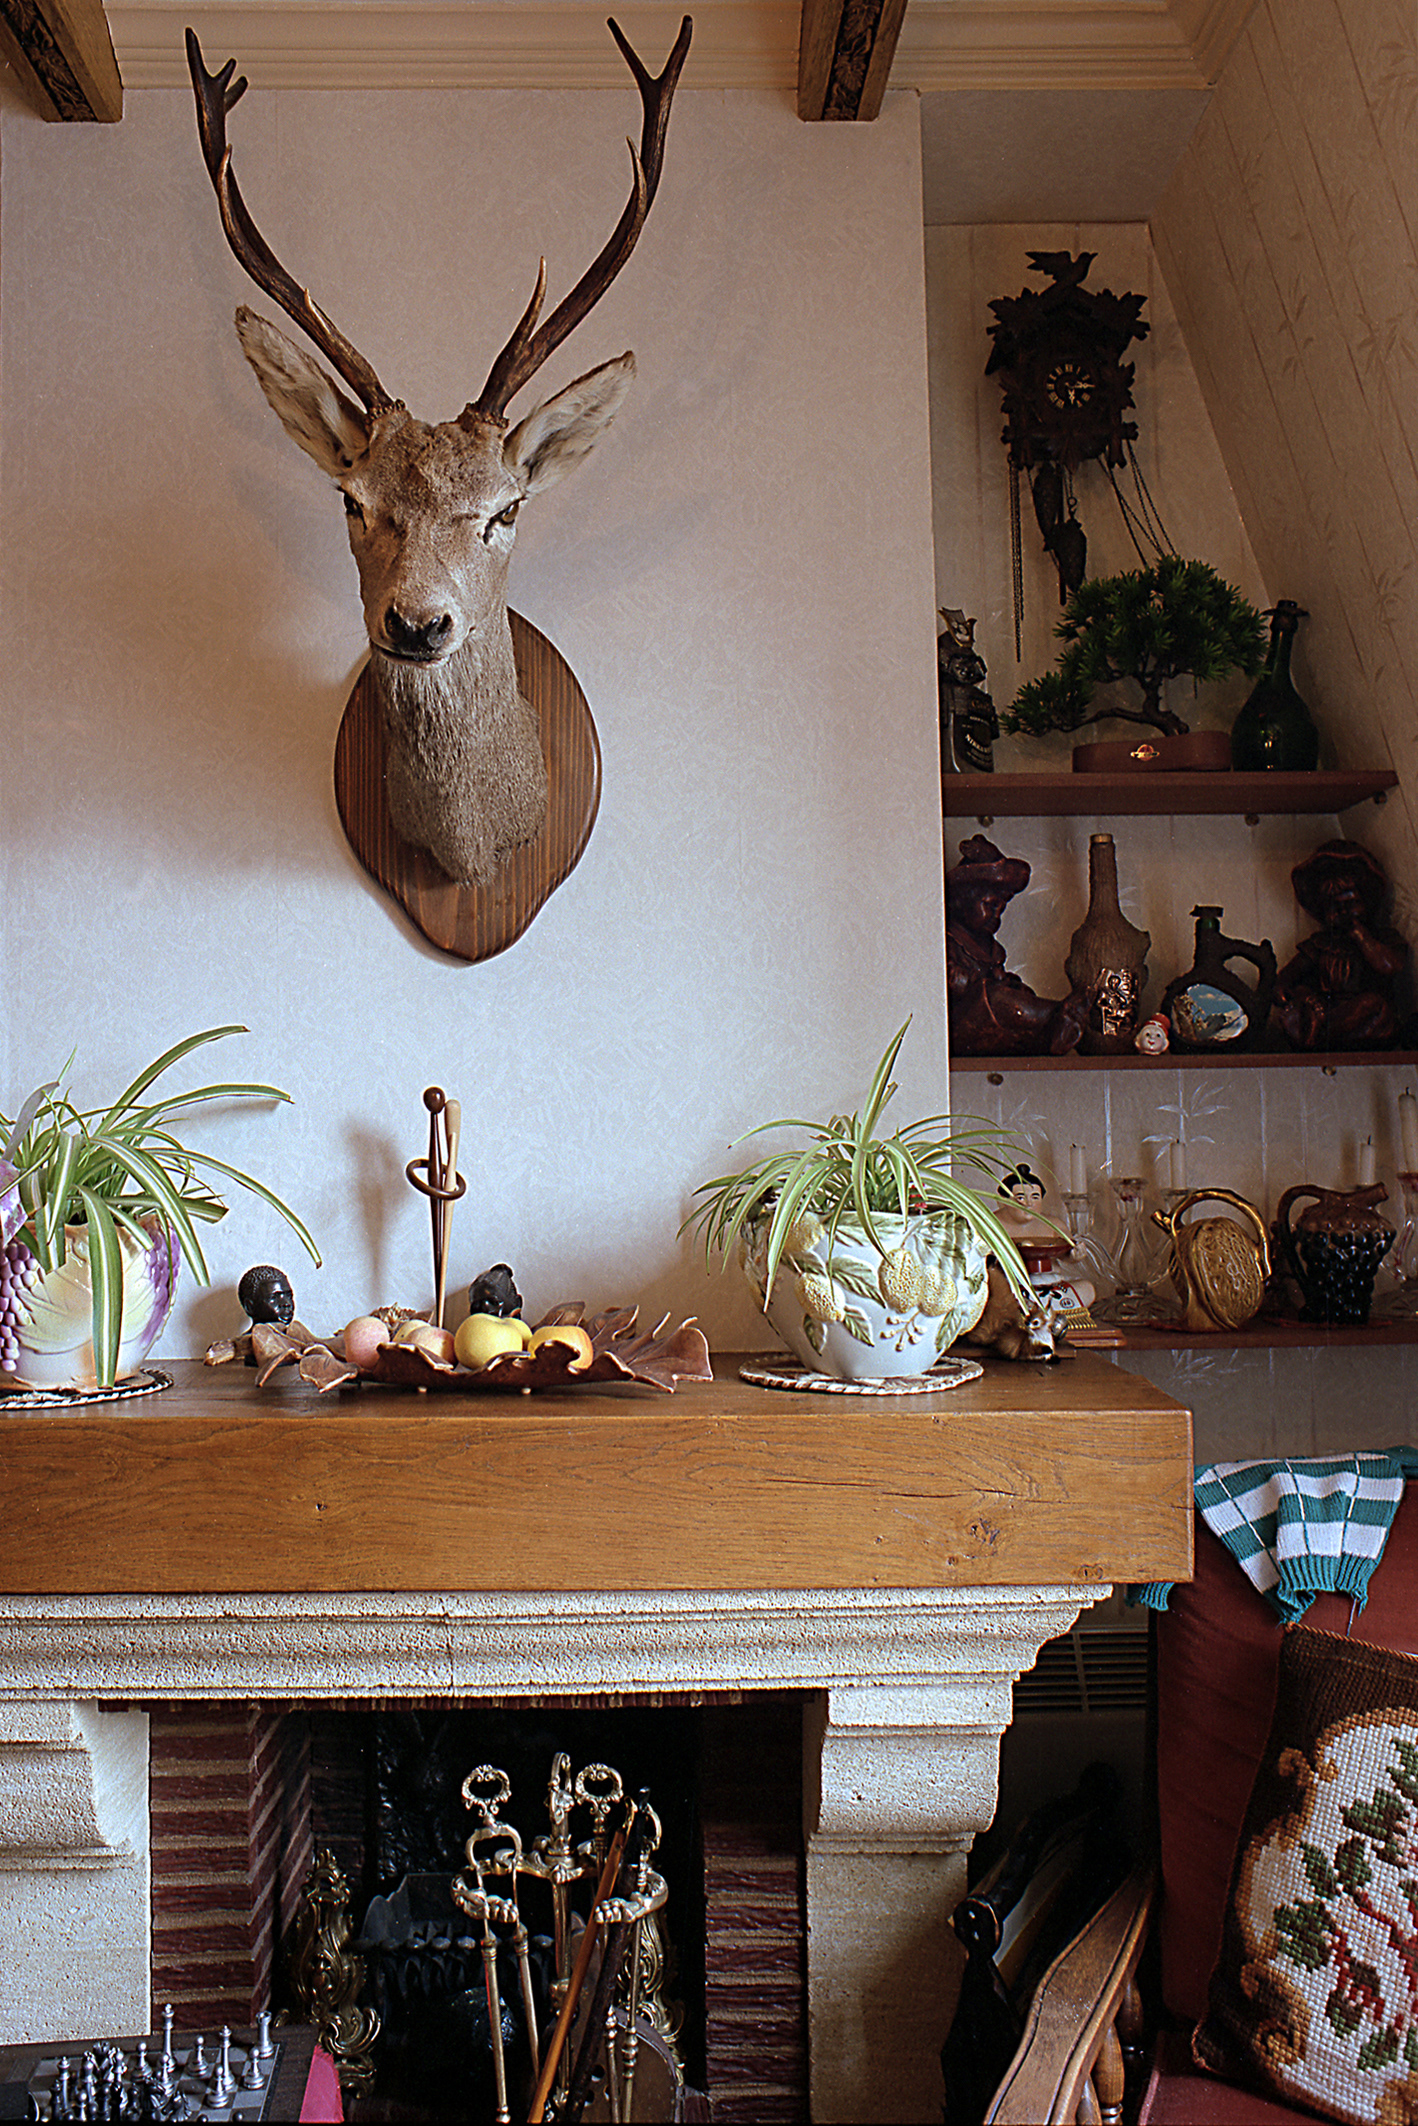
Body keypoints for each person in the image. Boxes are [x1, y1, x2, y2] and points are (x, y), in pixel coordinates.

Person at [947, 836, 1089, 1056]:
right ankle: (1059, 1015)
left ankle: (1055, 1026)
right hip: (965, 1023)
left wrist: (1008, 982)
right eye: (990, 905)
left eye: (1001, 908)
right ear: (963, 900)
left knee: (1016, 998)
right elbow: (950, 980)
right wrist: (974, 981)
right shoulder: (949, 941)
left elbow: (998, 977)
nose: (996, 914)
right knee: (1000, 999)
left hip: (991, 1020)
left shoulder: (990, 948)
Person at [1273, 839, 1408, 1051]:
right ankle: (1319, 1032)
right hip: (1325, 1010)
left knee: (1373, 1005)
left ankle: (1319, 1035)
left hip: (1364, 1014)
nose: (1342, 912)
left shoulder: (1383, 938)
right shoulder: (1320, 944)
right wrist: (1293, 994)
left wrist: (1361, 937)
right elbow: (1285, 978)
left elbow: (1389, 966)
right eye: (1334, 907)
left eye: (1350, 904)